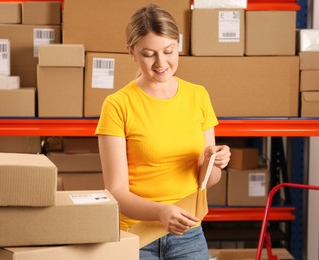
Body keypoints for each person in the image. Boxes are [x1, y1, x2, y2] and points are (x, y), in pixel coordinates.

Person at [95, 4, 231, 259]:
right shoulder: (117, 105)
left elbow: (207, 180)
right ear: (132, 53)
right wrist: (161, 212)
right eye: (149, 54)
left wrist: (216, 162)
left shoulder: (197, 96)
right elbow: (116, 192)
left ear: (178, 45)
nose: (161, 63)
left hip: (188, 233)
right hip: (136, 236)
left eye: (169, 51)